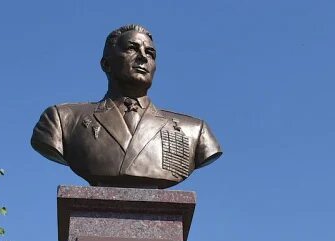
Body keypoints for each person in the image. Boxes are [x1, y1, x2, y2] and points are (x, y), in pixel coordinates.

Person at [30, 24, 221, 189]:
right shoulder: (62, 120)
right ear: (106, 64)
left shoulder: (194, 131)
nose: (143, 57)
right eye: (132, 48)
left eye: (150, 53)